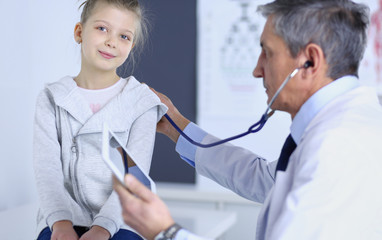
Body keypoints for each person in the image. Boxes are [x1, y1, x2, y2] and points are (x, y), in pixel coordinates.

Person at [114, 0, 382, 239]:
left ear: (310, 61)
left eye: (268, 52)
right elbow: (265, 179)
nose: (257, 69)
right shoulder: (346, 121)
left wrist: (167, 232)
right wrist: (176, 124)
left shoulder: (335, 150)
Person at [33, 0, 167, 239]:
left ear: (132, 45)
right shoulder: (52, 98)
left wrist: (103, 227)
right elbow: (47, 171)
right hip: (64, 217)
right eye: (102, 28)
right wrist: (61, 223)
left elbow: (133, 180)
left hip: (123, 220)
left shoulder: (141, 103)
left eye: (124, 36)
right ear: (79, 32)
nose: (111, 42)